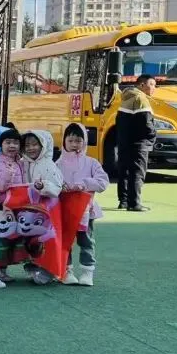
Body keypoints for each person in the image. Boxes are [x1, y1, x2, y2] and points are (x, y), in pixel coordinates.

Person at [56, 122, 109, 286]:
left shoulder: (92, 163)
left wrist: (85, 184)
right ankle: (66, 271)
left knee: (86, 241)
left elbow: (103, 183)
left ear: (84, 142)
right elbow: (52, 182)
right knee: (66, 241)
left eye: (78, 141)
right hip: (65, 210)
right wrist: (60, 187)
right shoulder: (58, 164)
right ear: (64, 141)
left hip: (87, 210)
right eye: (70, 141)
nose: (74, 144)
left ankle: (87, 272)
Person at [117, 73, 156, 212]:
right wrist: (152, 136)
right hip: (139, 142)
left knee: (125, 171)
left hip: (124, 141)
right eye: (151, 84)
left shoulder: (126, 98)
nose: (154, 88)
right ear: (142, 85)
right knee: (138, 172)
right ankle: (134, 203)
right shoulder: (141, 99)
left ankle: (124, 201)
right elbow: (146, 123)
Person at [20, 130, 62, 198]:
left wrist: (43, 186)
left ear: (43, 146)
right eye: (27, 145)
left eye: (34, 144)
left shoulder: (48, 165)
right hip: (26, 202)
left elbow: (56, 189)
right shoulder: (22, 162)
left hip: (44, 203)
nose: (30, 148)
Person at [0, 128, 24, 194]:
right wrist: (8, 174)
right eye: (8, 142)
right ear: (1, 145)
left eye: (16, 143)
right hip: (8, 199)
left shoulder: (20, 161)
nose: (12, 146)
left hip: (22, 197)